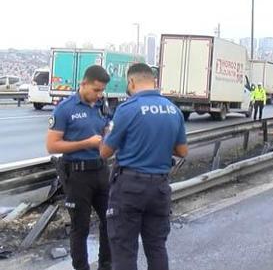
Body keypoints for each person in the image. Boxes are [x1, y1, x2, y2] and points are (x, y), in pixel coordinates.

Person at [100, 63, 188, 270]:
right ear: (153, 81)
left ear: (131, 81)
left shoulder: (127, 109)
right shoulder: (173, 110)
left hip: (129, 188)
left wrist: (103, 136)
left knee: (124, 249)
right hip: (160, 188)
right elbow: (183, 151)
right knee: (157, 247)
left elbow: (105, 153)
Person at [46, 65, 112, 270]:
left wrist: (108, 134)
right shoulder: (65, 109)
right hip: (77, 174)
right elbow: (52, 145)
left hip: (101, 171)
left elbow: (103, 135)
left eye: (102, 90)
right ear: (83, 84)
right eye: (95, 90)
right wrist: (86, 143)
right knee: (80, 227)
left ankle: (106, 265)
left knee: (110, 220)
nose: (98, 94)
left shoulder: (101, 106)